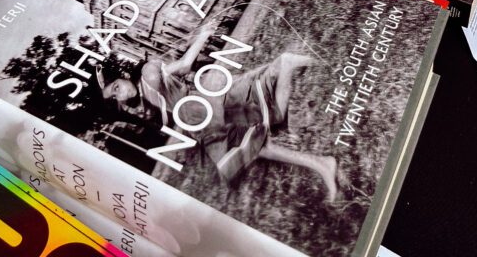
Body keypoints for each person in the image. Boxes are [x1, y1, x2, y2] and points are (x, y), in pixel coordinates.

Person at [95, 25, 340, 199]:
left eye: (116, 87)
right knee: (254, 143)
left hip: (209, 103)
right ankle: (321, 163)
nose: (121, 94)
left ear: (123, 76)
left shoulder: (148, 74)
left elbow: (183, 66)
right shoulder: (144, 96)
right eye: (115, 96)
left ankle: (286, 65)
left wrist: (202, 37)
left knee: (263, 124)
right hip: (202, 114)